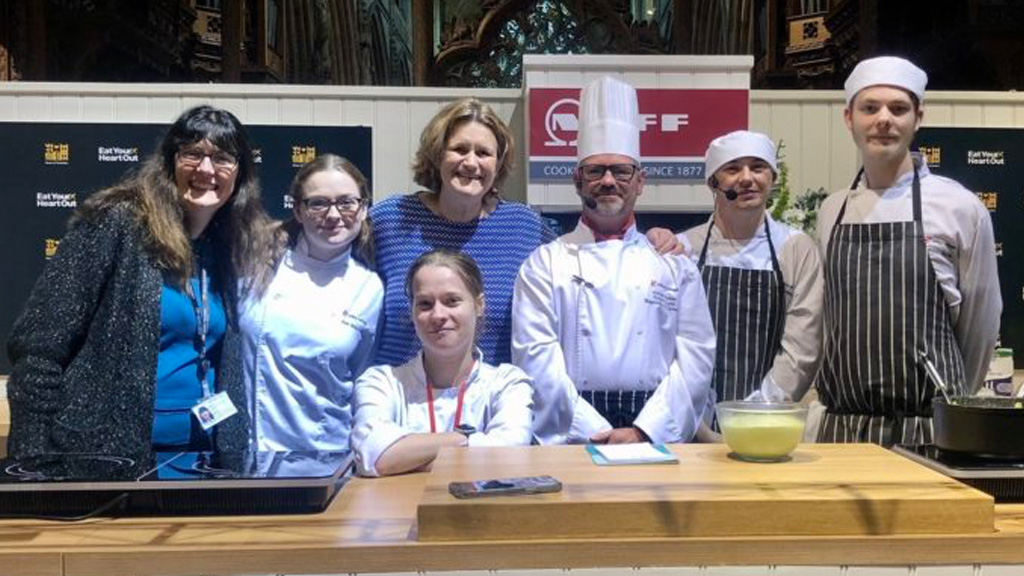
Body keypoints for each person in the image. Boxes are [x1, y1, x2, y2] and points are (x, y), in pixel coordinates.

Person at [6, 105, 277, 458]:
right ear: (169, 162)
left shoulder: (231, 244)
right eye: (193, 154)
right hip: (107, 460)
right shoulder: (116, 224)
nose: (206, 169)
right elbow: (39, 347)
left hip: (206, 459)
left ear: (239, 174)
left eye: (223, 158)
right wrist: (31, 457)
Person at [370, 97, 680, 367]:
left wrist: (647, 241)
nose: (471, 162)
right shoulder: (391, 220)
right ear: (437, 155)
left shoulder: (523, 228)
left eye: (483, 153)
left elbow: (587, 254)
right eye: (459, 149)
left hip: (494, 406)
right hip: (400, 400)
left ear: (498, 163)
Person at [512, 76, 716, 446]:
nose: (608, 181)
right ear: (577, 180)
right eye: (595, 170)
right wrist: (593, 431)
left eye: (621, 171)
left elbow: (696, 356)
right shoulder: (544, 263)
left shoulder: (674, 263)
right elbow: (535, 359)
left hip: (656, 428)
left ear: (640, 181)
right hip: (575, 430)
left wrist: (646, 430)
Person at [814, 56, 1001, 446]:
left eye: (898, 109)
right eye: (870, 108)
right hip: (841, 434)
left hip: (930, 431)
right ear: (849, 118)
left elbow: (980, 326)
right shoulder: (832, 211)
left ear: (918, 117)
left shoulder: (960, 206)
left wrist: (949, 399)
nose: (884, 119)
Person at [679, 131, 823, 429]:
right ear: (713, 183)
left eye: (757, 167)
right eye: (732, 169)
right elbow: (671, 346)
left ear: (772, 178)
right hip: (690, 422)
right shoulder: (684, 249)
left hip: (768, 425)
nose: (746, 178)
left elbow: (802, 348)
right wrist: (699, 420)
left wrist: (753, 416)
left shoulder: (796, 248)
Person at [241, 154, 383, 452]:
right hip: (249, 453)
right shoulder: (255, 264)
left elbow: (362, 376)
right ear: (298, 209)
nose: (333, 215)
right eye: (318, 203)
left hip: (326, 453)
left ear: (364, 208)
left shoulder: (370, 288)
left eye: (346, 202)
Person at [351, 250, 533, 477]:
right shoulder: (381, 382)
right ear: (412, 311)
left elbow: (508, 456)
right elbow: (372, 455)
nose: (438, 315)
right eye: (425, 304)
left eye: (452, 301)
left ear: (478, 305)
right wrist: (466, 438)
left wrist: (406, 460)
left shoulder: (509, 383)